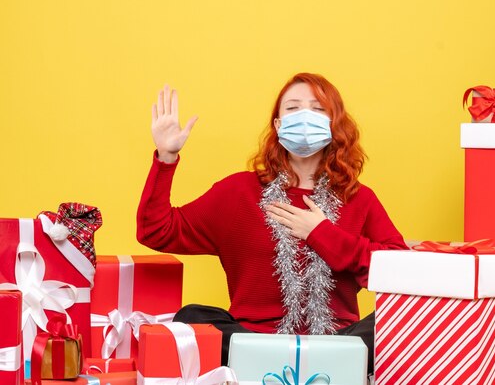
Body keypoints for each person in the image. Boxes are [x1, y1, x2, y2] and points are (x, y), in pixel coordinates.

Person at [136, 72, 407, 374]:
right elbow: (155, 229)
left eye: (317, 110)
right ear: (278, 125)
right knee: (192, 317)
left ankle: (306, 365)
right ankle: (294, 366)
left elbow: (401, 274)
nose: (305, 116)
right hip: (254, 342)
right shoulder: (238, 192)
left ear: (333, 124)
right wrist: (166, 156)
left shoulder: (359, 199)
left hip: (338, 342)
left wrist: (321, 234)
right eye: (293, 108)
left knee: (400, 319)